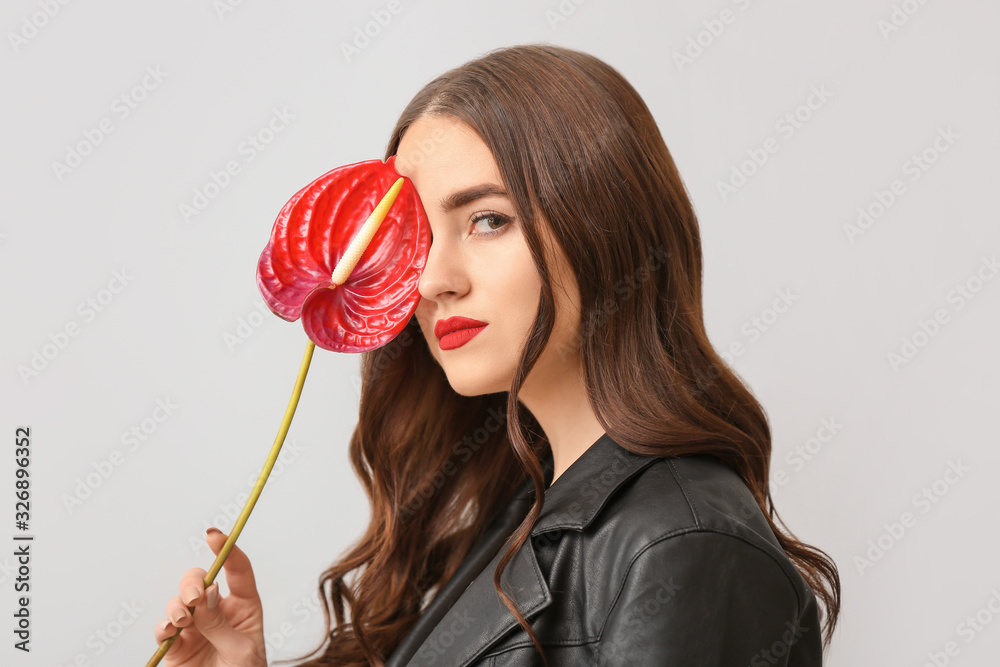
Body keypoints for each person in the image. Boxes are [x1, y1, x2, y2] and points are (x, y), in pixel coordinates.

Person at [154, 43, 841, 666]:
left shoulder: (681, 548)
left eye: (488, 220)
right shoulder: (522, 510)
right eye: (420, 235)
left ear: (605, 225)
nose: (430, 280)